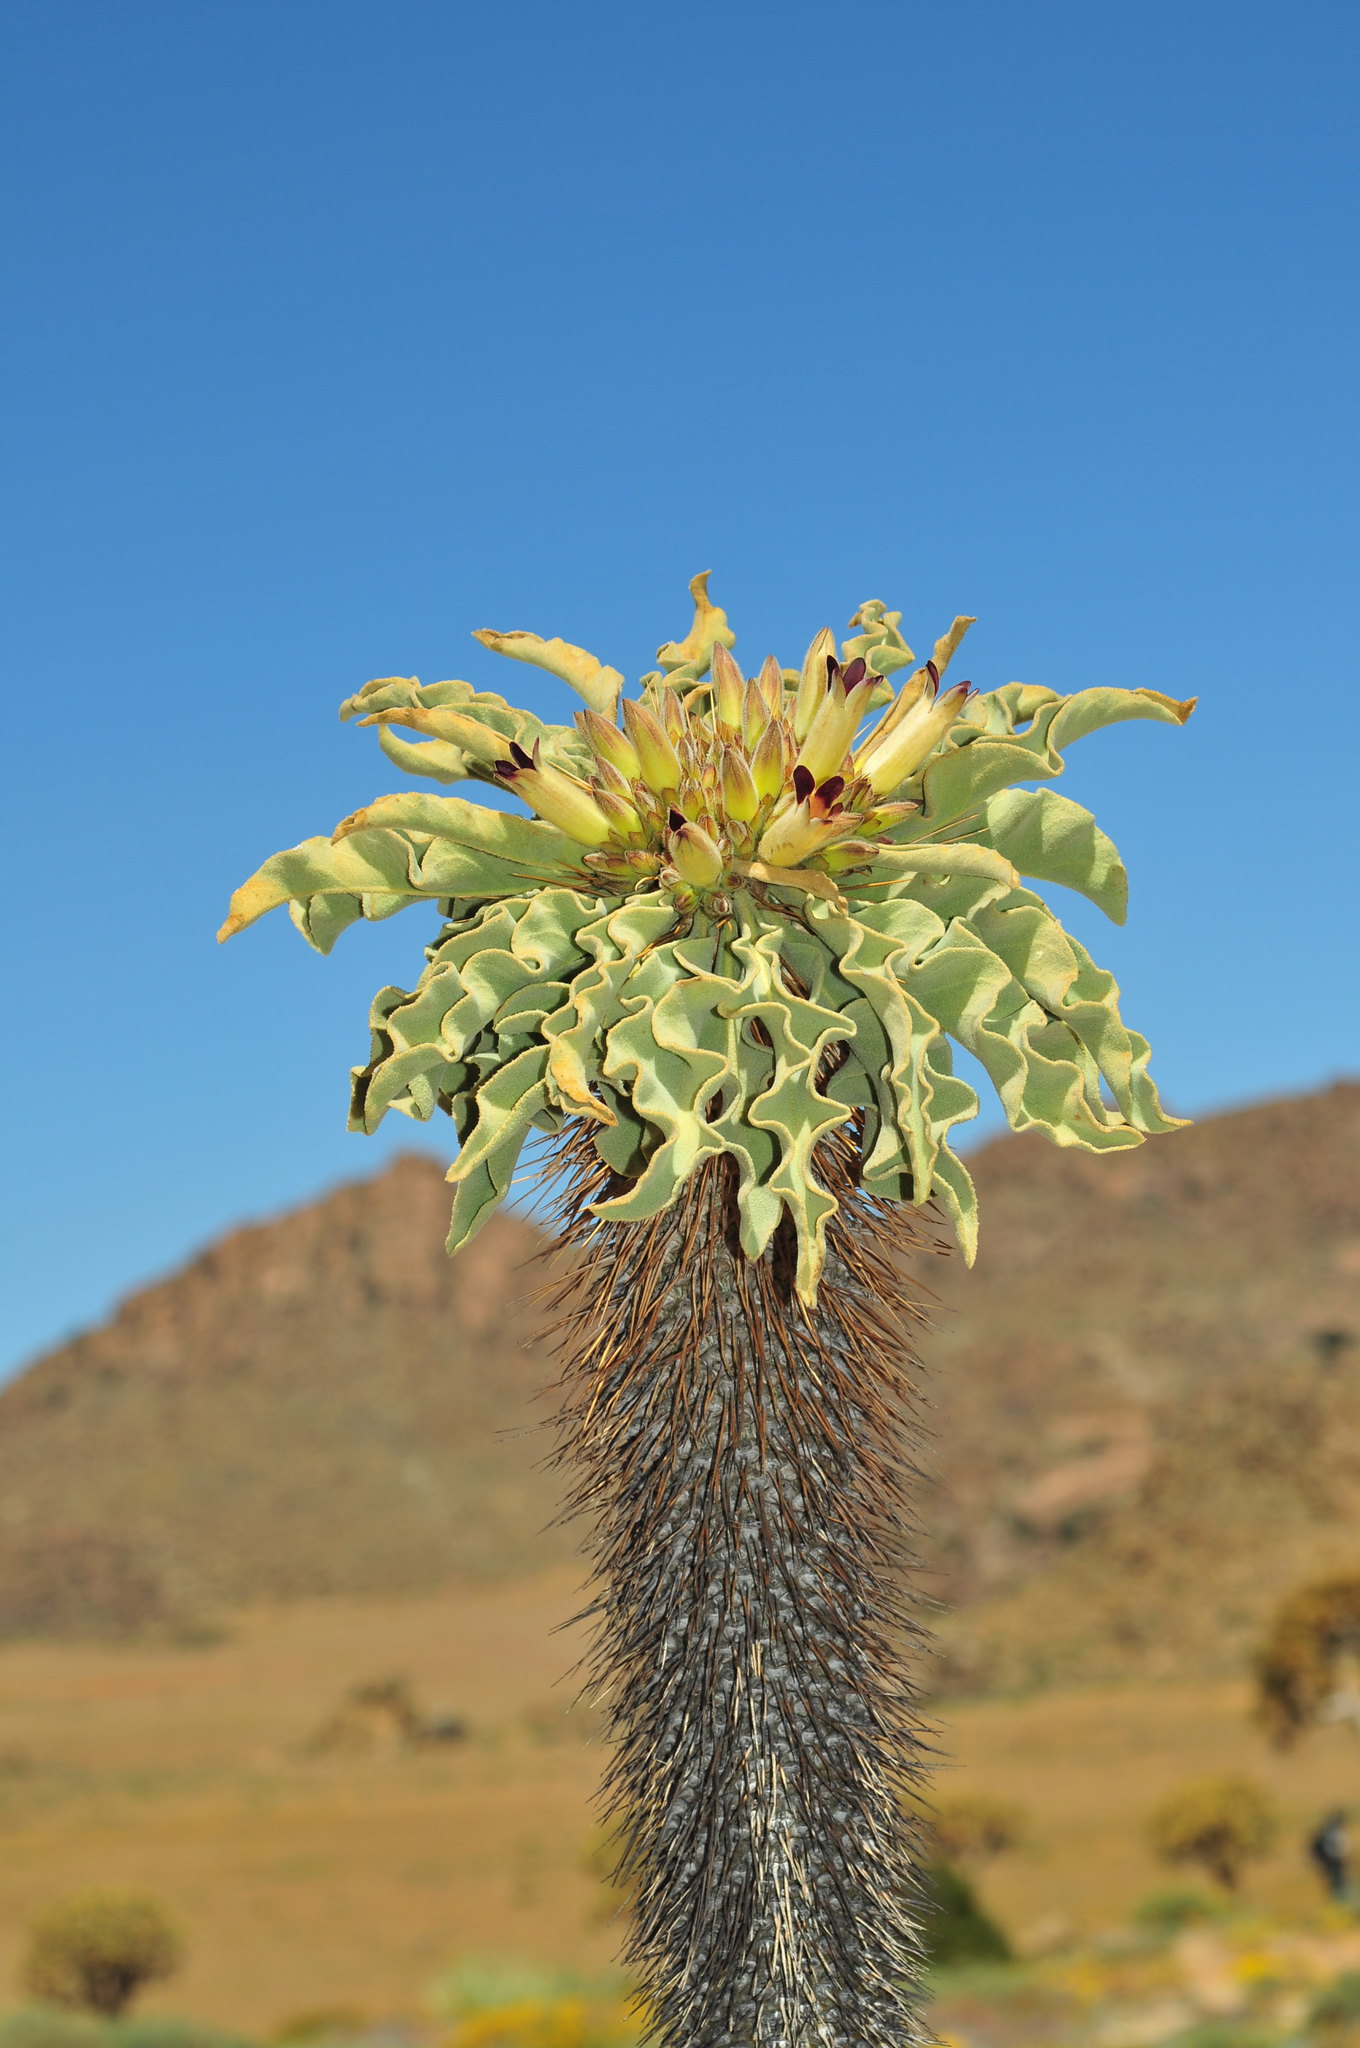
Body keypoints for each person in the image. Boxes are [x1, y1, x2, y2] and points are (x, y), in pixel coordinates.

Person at [1310, 1809, 1352, 1900]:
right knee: (1337, 1881)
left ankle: (1339, 1898)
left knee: (1337, 1882)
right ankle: (1340, 1899)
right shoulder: (1333, 1833)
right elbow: (1336, 1849)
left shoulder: (1328, 1832)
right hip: (1334, 1861)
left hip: (1332, 1861)